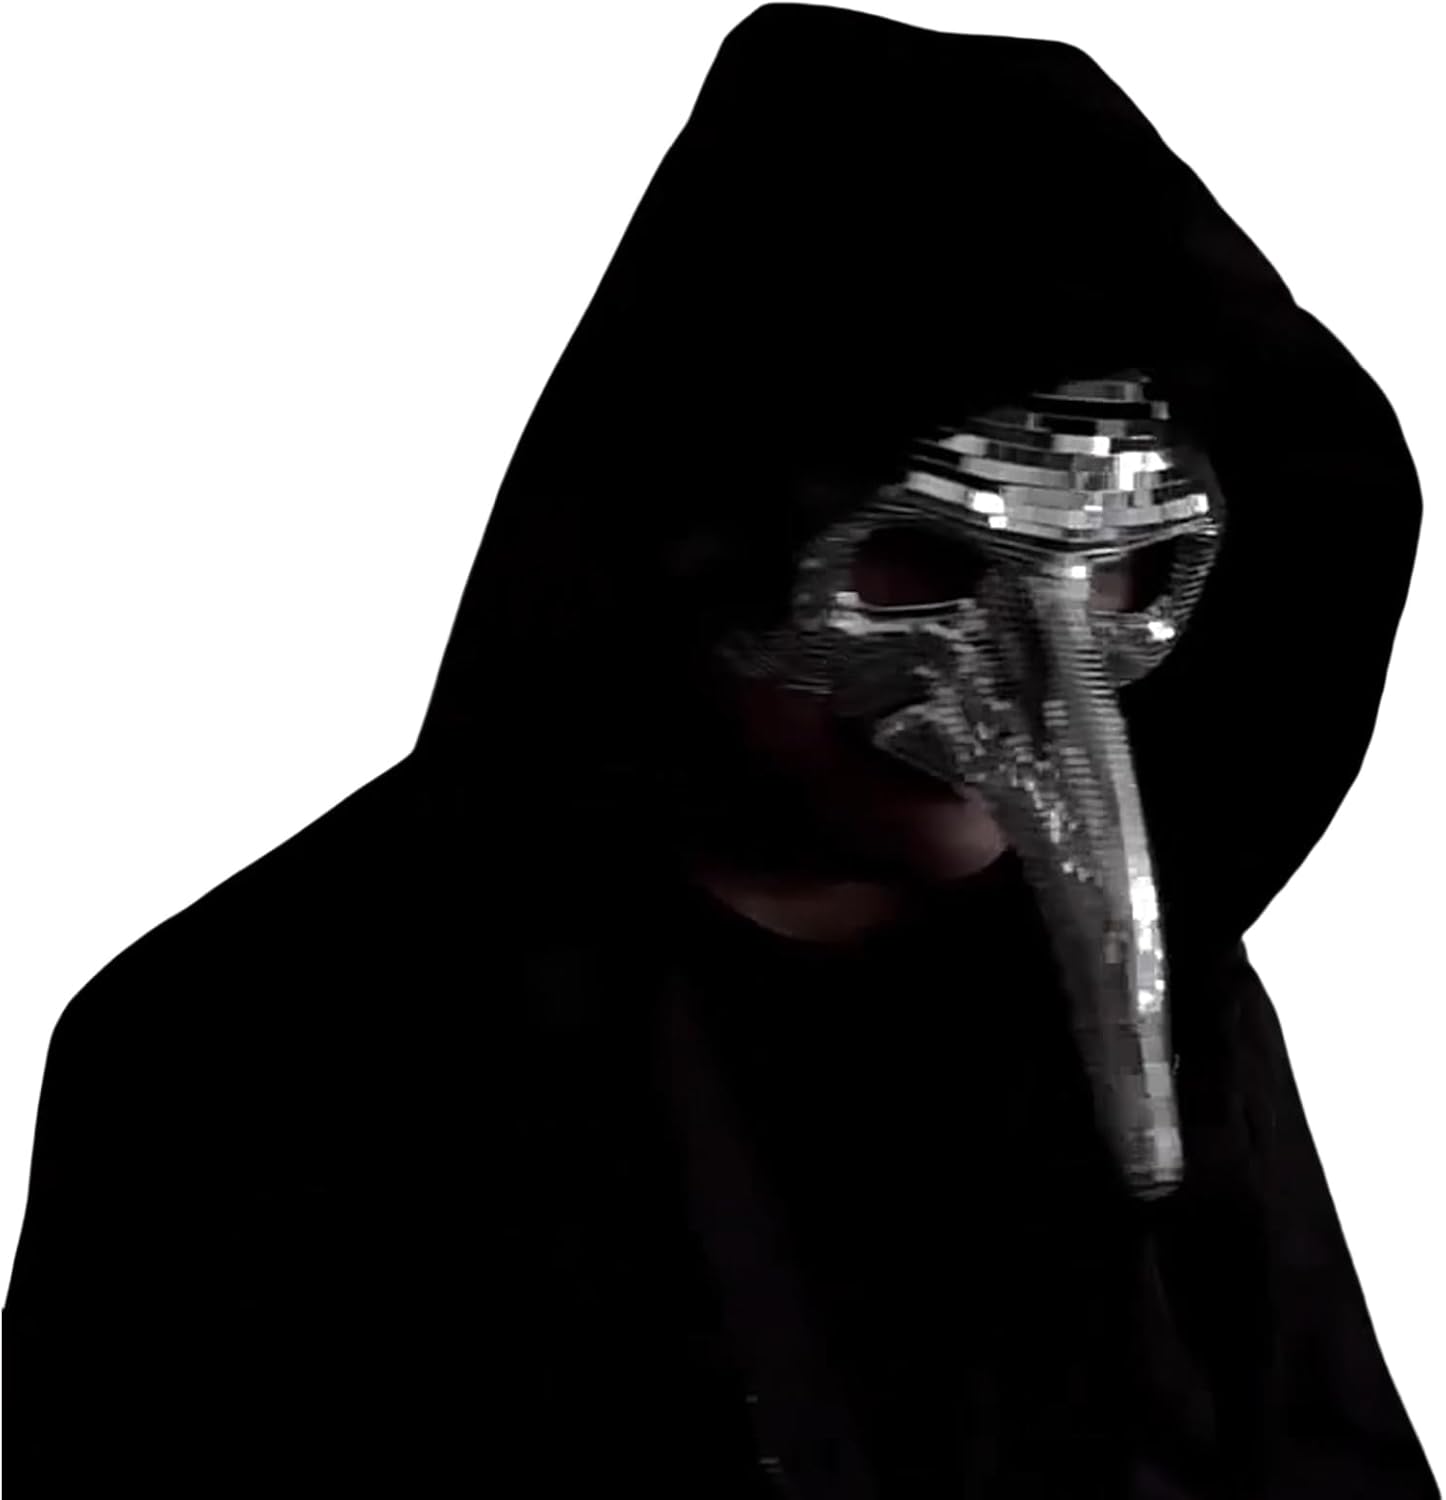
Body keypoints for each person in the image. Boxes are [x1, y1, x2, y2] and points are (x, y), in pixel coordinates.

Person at [5, 6, 1438, 1496]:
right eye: (923, 560)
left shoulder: (1155, 1005)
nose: (1042, 684)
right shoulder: (250, 1050)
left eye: (1126, 570)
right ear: (696, 548)